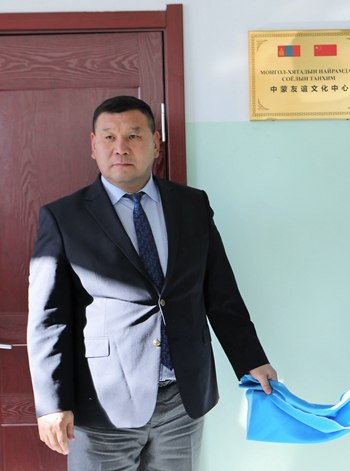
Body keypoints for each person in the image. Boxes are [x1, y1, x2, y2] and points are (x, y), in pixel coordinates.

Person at [27, 95, 277, 470]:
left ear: (156, 144)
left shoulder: (192, 205)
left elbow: (220, 293)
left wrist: (251, 360)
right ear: (93, 146)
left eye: (134, 135)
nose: (120, 147)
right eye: (108, 137)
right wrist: (52, 402)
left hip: (182, 401)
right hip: (103, 404)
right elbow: (49, 319)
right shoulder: (63, 217)